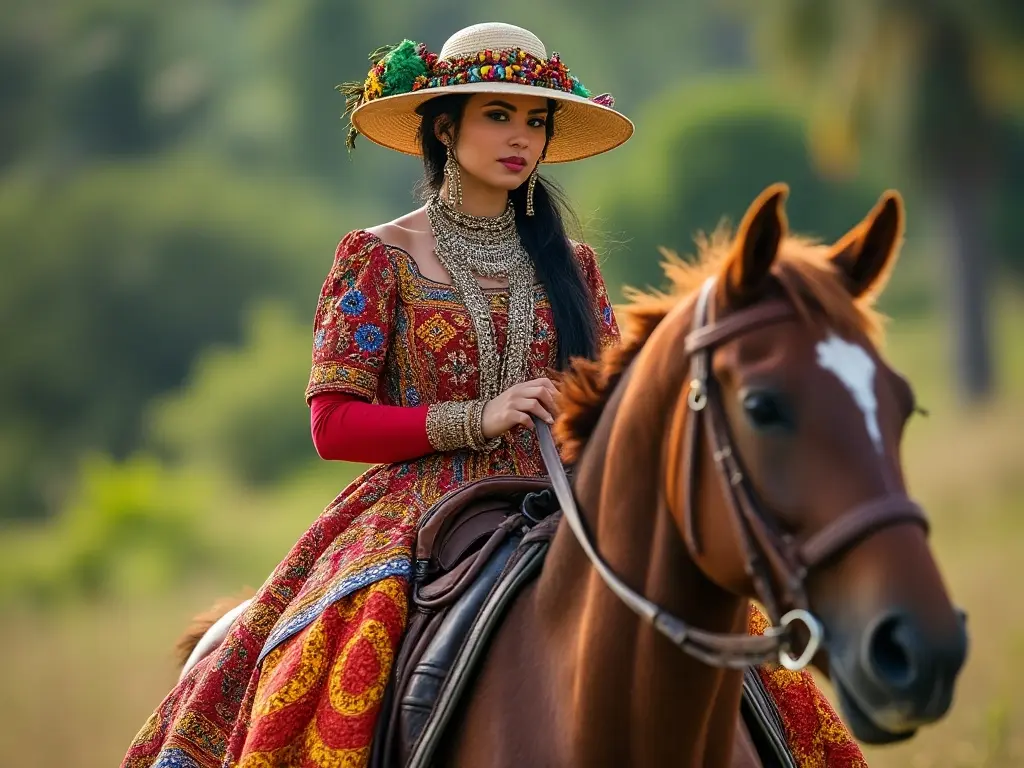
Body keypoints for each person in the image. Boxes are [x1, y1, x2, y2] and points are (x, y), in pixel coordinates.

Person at [122, 21, 865, 768]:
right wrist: (476, 418)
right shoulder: (377, 257)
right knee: (331, 669)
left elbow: (612, 411)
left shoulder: (572, 265)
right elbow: (334, 425)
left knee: (746, 664)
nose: (522, 139)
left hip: (567, 500)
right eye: (499, 115)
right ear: (445, 127)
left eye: (536, 121)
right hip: (416, 517)